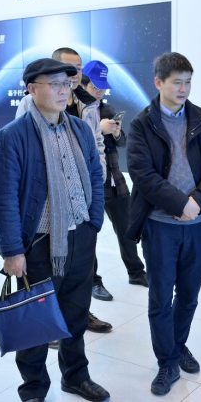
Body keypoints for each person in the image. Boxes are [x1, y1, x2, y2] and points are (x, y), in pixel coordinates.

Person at [0, 58, 110, 402]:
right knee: (36, 321)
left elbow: (95, 176)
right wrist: (12, 251)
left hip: (80, 236)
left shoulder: (79, 128)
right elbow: (5, 199)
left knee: (76, 314)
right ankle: (33, 389)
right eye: (54, 84)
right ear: (32, 89)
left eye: (66, 84)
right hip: (41, 244)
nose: (62, 91)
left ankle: (75, 377)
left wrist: (94, 221)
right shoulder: (12, 136)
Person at [126, 52, 201, 395]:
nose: (183, 89)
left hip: (199, 225)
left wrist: (196, 203)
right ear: (159, 83)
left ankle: (178, 344)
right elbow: (142, 174)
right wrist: (180, 204)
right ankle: (167, 362)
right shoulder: (142, 124)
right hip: (160, 227)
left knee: (188, 296)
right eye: (176, 82)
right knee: (160, 299)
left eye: (188, 82)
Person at [17, 49, 112, 334]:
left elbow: (96, 149)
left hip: (80, 215)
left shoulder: (87, 105)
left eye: (77, 69)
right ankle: (48, 329)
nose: (72, 78)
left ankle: (77, 322)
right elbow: (14, 183)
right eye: (60, 77)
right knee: (42, 300)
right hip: (44, 220)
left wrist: (94, 218)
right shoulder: (24, 115)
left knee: (77, 294)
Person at [81, 63, 148, 287]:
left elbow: (123, 142)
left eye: (102, 88)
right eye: (94, 88)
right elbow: (77, 148)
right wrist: (97, 130)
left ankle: (136, 272)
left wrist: (117, 133)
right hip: (90, 183)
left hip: (114, 180)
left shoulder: (108, 109)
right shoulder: (76, 112)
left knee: (128, 228)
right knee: (89, 235)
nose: (99, 92)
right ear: (83, 85)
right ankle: (93, 281)